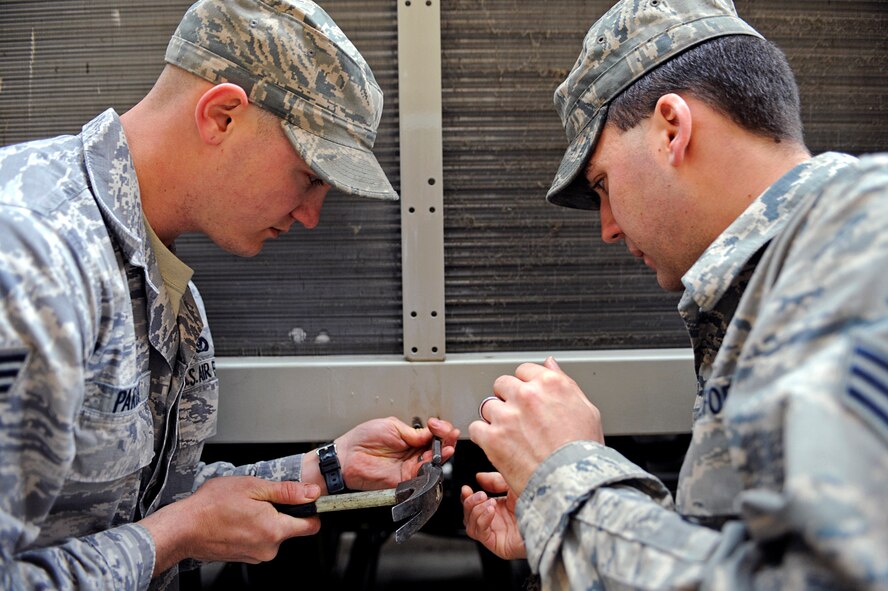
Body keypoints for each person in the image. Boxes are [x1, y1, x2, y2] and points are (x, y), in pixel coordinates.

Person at [0, 0, 459, 589]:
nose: (312, 215)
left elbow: (130, 503)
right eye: (311, 175)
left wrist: (323, 471)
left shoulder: (159, 280)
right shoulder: (34, 261)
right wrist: (177, 537)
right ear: (222, 115)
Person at [461, 0, 888, 588]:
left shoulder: (866, 242)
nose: (608, 226)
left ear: (672, 128)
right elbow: (748, 553)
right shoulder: (797, 269)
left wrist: (570, 482)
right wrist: (560, 523)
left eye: (603, 184)